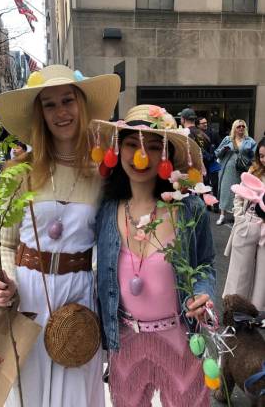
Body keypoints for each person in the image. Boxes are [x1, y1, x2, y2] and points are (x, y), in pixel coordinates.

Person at [0, 64, 120, 407]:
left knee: (77, 388)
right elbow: (4, 242)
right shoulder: (17, 173)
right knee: (31, 389)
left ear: (82, 105)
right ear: (40, 114)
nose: (61, 112)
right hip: (29, 295)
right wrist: (6, 282)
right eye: (50, 104)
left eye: (68, 100)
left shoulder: (102, 174)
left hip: (79, 295)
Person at [95, 105, 216, 407]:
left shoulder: (188, 209)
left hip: (180, 340)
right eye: (132, 145)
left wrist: (203, 296)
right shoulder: (107, 211)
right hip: (126, 343)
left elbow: (204, 266)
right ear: (117, 150)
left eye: (153, 147)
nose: (141, 157)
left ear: (167, 156)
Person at [223, 137, 265, 310]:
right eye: (261, 156)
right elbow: (239, 196)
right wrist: (240, 217)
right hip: (247, 223)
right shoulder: (254, 171)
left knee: (263, 275)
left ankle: (256, 311)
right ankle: (234, 309)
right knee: (239, 272)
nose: (263, 160)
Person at [214, 119, 257, 225]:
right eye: (238, 126)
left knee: (239, 193)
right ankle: (222, 215)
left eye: (243, 126)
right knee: (225, 191)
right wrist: (225, 149)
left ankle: (236, 216)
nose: (241, 128)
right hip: (228, 168)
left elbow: (255, 156)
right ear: (234, 128)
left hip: (242, 170)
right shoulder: (228, 139)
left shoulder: (250, 141)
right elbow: (217, 153)